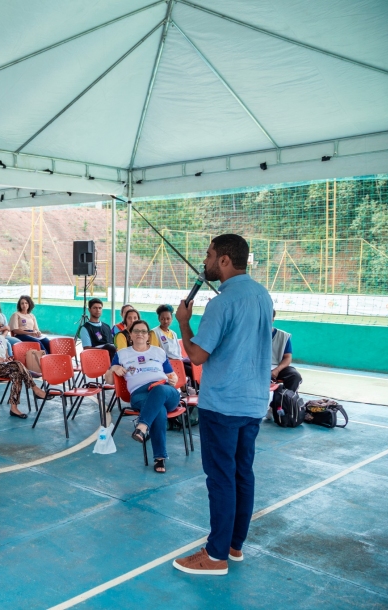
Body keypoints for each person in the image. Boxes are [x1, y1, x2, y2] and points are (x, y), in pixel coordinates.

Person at [173, 234, 272, 576]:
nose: (206, 261)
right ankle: (233, 545)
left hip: (224, 403)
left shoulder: (221, 303)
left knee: (220, 478)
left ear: (225, 261)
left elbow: (198, 355)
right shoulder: (262, 295)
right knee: (242, 473)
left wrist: (184, 322)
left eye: (210, 255)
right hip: (254, 402)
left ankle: (215, 556)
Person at [107, 320, 181, 473]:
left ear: (148, 335)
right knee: (158, 411)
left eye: (143, 331)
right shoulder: (122, 354)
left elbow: (172, 375)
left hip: (166, 391)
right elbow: (108, 380)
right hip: (140, 395)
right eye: (136, 331)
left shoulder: (158, 352)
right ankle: (160, 459)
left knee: (159, 391)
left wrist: (174, 379)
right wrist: (113, 367)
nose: (140, 334)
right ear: (130, 335)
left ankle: (142, 426)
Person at [0, 311, 47, 418]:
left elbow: (5, 356)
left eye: (0, 327)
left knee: (17, 373)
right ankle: (35, 389)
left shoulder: (1, 339)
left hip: (3, 367)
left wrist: (7, 359)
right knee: (17, 365)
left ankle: (14, 408)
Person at [271, 311, 302, 392]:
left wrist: (277, 370)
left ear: (272, 319)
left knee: (294, 376)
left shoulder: (283, 336)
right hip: (256, 368)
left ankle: (287, 400)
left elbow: (287, 357)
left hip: (276, 367)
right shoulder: (252, 335)